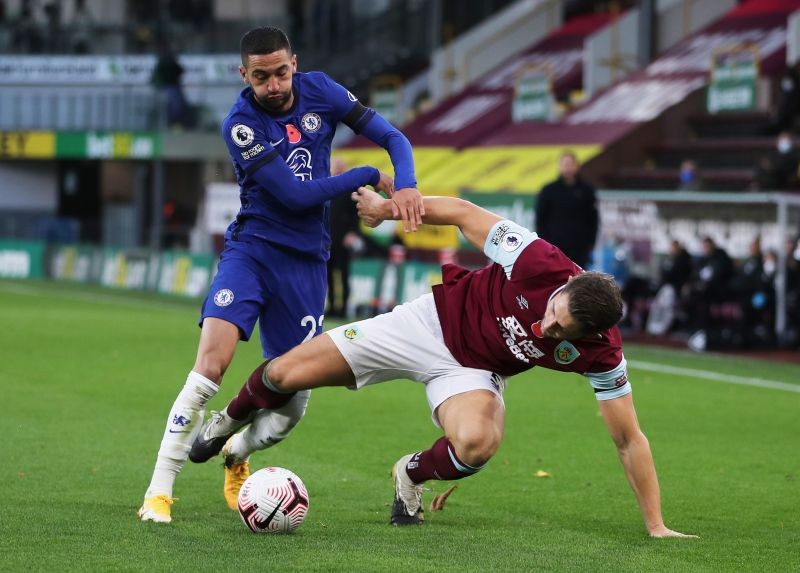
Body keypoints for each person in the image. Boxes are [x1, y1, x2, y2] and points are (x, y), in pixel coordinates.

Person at [189, 188, 695, 538]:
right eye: (552, 314)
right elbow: (460, 211)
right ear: (562, 287)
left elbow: (628, 438)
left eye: (563, 333)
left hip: (472, 372)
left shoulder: (603, 354)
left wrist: (655, 524)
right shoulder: (540, 261)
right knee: (283, 373)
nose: (548, 329)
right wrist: (389, 209)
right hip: (426, 323)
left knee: (478, 444)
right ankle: (228, 420)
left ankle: (409, 475)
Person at [138, 26, 424, 524]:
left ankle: (235, 450)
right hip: (252, 251)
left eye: (281, 72)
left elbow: (393, 137)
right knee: (211, 365)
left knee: (290, 401)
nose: (273, 85)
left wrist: (408, 185)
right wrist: (366, 175)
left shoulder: (323, 91)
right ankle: (159, 490)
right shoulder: (240, 123)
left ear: (295, 62)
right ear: (243, 74)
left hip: (308, 261)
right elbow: (294, 197)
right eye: (261, 76)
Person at [535, 151, 598, 269]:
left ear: (577, 166)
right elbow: (540, 219)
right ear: (559, 166)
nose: (568, 168)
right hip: (555, 247)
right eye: (565, 164)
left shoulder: (587, 190)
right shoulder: (549, 190)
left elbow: (593, 219)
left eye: (570, 164)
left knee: (579, 281)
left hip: (580, 247)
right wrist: (544, 244)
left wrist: (591, 242)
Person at [326, 157, 363, 318]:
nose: (338, 168)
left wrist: (353, 233)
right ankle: (332, 307)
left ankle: (343, 309)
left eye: (341, 166)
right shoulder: (326, 188)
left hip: (344, 240)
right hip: (328, 239)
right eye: (336, 166)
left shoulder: (350, 189)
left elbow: (356, 216)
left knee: (343, 275)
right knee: (328, 276)